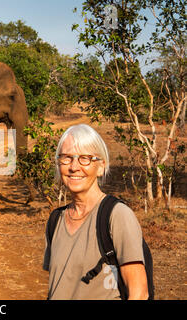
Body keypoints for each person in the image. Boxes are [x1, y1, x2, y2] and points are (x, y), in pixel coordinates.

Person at [43, 124, 148, 300]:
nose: (74, 167)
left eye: (85, 158)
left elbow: (139, 293)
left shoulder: (117, 215)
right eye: (66, 158)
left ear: (101, 167)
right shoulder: (56, 220)